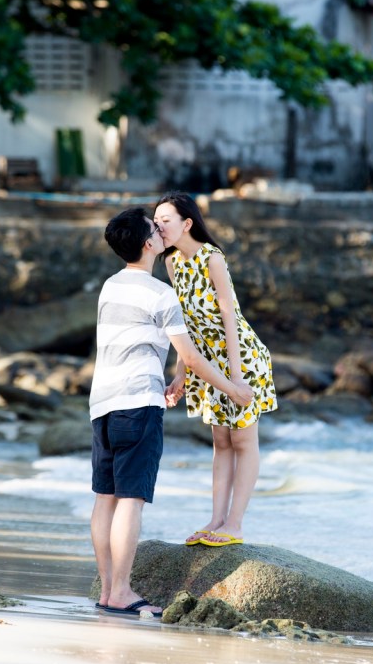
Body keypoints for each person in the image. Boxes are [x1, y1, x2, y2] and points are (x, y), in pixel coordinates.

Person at [89, 207, 254, 618]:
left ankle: (108, 589)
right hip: (138, 405)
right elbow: (193, 359)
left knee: (104, 497)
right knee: (130, 499)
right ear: (148, 244)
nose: (162, 230)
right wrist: (234, 387)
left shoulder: (110, 286)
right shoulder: (161, 294)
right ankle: (124, 592)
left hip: (102, 404)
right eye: (155, 227)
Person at [155, 192, 278, 548]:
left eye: (166, 220)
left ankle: (235, 525)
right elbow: (186, 325)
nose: (159, 226)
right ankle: (216, 520)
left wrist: (236, 377)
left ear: (187, 223)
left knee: (242, 439)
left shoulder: (213, 258)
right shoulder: (173, 263)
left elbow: (230, 318)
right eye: (157, 220)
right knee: (220, 442)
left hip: (242, 358)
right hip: (205, 364)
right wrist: (181, 374)